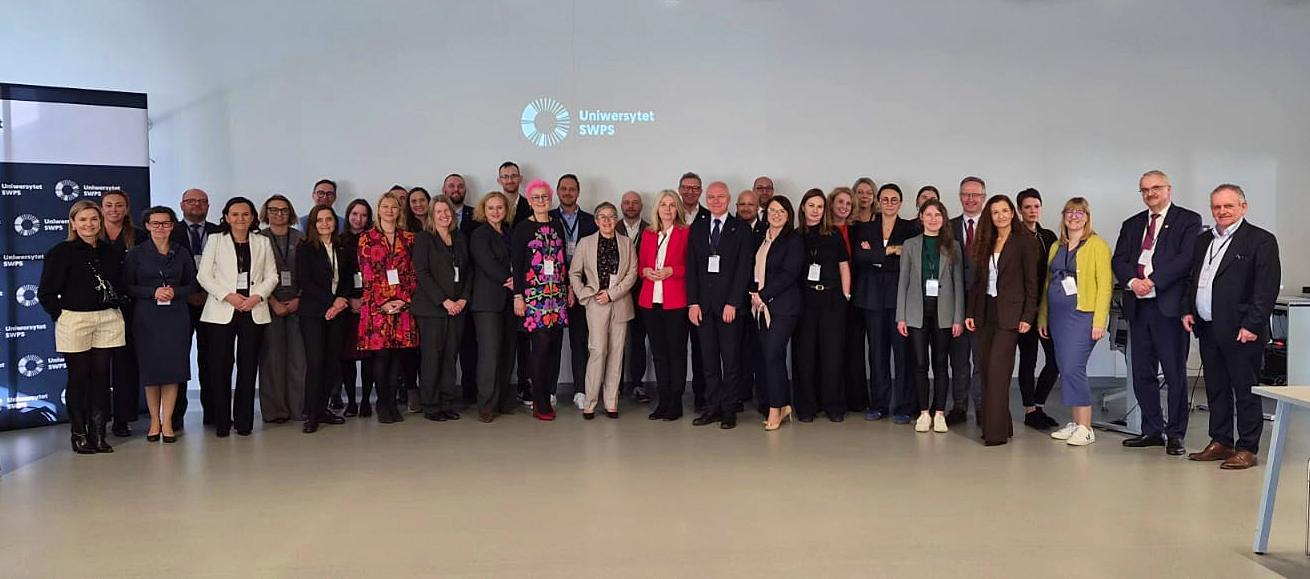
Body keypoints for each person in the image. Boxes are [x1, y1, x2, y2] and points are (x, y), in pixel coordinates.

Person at [1182, 184, 1281, 469]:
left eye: (1228, 206)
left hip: (1242, 330)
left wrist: (1253, 323)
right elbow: (1193, 280)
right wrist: (1188, 310)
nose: (1222, 212)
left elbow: (1266, 287)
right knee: (1216, 388)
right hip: (1208, 326)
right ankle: (1221, 441)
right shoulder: (1204, 240)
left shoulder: (1260, 240)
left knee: (1245, 389)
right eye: (1216, 207)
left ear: (1243, 207)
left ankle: (1247, 448)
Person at [1111, 170, 1202, 456]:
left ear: (1168, 189)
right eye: (1145, 190)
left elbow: (1186, 258)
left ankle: (1175, 434)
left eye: (1156, 188)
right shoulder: (1132, 224)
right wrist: (1131, 281)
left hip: (1169, 307)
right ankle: (1152, 429)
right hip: (1138, 308)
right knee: (1141, 372)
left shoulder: (1188, 220)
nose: (1150, 193)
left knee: (1175, 375)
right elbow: (1119, 259)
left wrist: (1153, 280)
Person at [38, 201, 127, 453]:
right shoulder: (61, 252)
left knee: (101, 377)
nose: (89, 224)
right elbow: (46, 292)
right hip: (74, 319)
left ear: (100, 223)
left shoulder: (110, 252)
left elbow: (119, 284)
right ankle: (78, 434)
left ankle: (99, 433)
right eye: (83, 220)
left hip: (108, 318)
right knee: (78, 377)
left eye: (94, 220)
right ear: (73, 223)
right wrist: (62, 315)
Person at [197, 197, 279, 437]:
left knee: (248, 366)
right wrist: (227, 296)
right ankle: (222, 422)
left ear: (253, 217)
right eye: (235, 214)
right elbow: (204, 276)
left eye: (245, 214)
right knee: (220, 366)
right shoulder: (215, 240)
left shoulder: (262, 242)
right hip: (223, 310)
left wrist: (257, 297)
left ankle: (244, 422)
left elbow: (272, 276)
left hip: (253, 310)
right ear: (226, 217)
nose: (240, 219)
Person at [964, 195, 1040, 446]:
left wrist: (1028, 316)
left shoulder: (1024, 242)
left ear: (1012, 213)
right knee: (985, 369)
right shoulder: (985, 242)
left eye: (1004, 211)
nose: (1000, 216)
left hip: (1011, 314)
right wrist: (970, 313)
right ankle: (1001, 424)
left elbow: (1032, 283)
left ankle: (994, 434)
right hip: (985, 311)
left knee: (998, 370)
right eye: (995, 212)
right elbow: (977, 283)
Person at [1038, 198, 1113, 447]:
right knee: (1064, 367)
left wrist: (1099, 321)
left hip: (1082, 315)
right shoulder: (1056, 246)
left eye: (1080, 212)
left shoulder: (1097, 245)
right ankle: (1075, 422)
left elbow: (1105, 287)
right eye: (1070, 211)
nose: (1074, 216)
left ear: (1087, 216)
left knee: (1073, 368)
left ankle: (1086, 427)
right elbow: (1048, 284)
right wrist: (1043, 316)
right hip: (1058, 317)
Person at [123, 206, 197, 443]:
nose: (160, 228)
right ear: (147, 226)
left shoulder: (181, 252)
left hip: (176, 316)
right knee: (152, 371)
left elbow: (192, 285)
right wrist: (152, 292)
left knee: (173, 371)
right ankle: (154, 420)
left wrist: (174, 291)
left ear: (172, 225)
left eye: (165, 223)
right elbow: (128, 286)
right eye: (155, 223)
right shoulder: (136, 253)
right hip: (147, 316)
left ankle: (168, 422)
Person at [685, 182, 754, 429]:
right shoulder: (698, 226)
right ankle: (712, 407)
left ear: (728, 198)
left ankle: (729, 410)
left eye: (720, 197)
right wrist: (692, 303)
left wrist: (733, 302)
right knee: (709, 362)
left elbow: (744, 270)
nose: (715, 201)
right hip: (703, 307)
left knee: (731, 361)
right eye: (711, 197)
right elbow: (691, 268)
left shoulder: (741, 229)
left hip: (729, 307)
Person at [896, 199, 964, 434]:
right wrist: (901, 316)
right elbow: (903, 282)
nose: (933, 219)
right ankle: (924, 412)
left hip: (943, 311)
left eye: (938, 215)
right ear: (921, 217)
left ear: (943, 219)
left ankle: (940, 412)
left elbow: (958, 284)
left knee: (941, 364)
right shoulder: (910, 245)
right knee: (920, 363)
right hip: (916, 310)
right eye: (929, 214)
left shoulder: (953, 246)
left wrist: (958, 318)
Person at [854, 183, 919, 423]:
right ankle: (879, 404)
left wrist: (877, 256)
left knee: (903, 354)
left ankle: (904, 406)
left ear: (900, 203)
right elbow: (860, 257)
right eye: (885, 199)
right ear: (878, 202)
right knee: (877, 353)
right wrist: (891, 251)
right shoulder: (865, 227)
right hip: (871, 299)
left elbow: (911, 259)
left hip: (900, 298)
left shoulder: (910, 227)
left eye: (894, 199)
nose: (889, 203)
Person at [569, 202, 639, 419]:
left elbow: (632, 274)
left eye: (611, 217)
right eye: (603, 217)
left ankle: (611, 402)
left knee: (617, 353)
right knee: (598, 351)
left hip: (619, 303)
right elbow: (574, 273)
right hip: (596, 304)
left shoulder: (627, 243)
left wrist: (612, 293)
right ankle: (590, 402)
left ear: (615, 220)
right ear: (596, 220)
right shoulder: (586, 243)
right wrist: (585, 296)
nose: (607, 221)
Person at [511, 179, 573, 420]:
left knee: (554, 348)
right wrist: (518, 296)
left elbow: (562, 261)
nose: (540, 201)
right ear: (529, 200)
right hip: (534, 297)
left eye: (544, 196)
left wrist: (568, 289)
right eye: (535, 197)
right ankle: (539, 401)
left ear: (550, 199)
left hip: (556, 295)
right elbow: (517, 265)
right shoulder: (522, 228)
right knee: (540, 348)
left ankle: (549, 394)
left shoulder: (557, 224)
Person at [357, 192, 419, 424]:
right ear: (378, 209)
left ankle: (393, 403)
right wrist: (385, 301)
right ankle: (382, 404)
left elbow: (413, 272)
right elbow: (367, 273)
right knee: (381, 356)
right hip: (377, 306)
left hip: (403, 305)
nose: (389, 210)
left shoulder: (409, 238)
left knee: (397, 357)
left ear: (399, 211)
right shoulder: (367, 238)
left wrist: (403, 299)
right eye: (385, 206)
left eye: (394, 207)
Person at [792, 189, 851, 422]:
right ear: (803, 208)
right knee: (805, 356)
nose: (815, 210)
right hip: (804, 301)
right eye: (811, 205)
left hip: (832, 300)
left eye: (819, 206)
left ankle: (834, 406)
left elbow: (843, 266)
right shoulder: (795, 236)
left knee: (832, 355)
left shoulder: (834, 234)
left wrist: (846, 294)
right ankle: (807, 407)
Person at [296, 205, 354, 433]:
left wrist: (340, 301)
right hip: (313, 312)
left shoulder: (343, 245)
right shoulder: (305, 248)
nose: (325, 224)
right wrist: (331, 301)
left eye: (328, 219)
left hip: (338, 312)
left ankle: (323, 409)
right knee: (316, 361)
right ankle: (311, 413)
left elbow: (349, 277)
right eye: (319, 220)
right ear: (312, 224)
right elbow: (305, 281)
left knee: (332, 362)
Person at [413, 195, 470, 422]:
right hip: (432, 309)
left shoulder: (460, 237)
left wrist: (463, 299)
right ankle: (431, 404)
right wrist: (444, 301)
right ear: (431, 215)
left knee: (449, 357)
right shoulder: (424, 238)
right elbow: (422, 274)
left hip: (457, 308)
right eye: (439, 212)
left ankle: (447, 402)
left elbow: (468, 271)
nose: (444, 215)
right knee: (432, 357)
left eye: (447, 211)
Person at [637, 190, 691, 421]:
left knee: (676, 353)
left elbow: (692, 267)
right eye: (663, 204)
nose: (667, 209)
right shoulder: (648, 234)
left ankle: (675, 401)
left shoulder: (685, 233)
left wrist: (672, 271)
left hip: (676, 301)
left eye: (671, 205)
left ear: (677, 208)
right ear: (656, 208)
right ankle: (663, 400)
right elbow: (640, 266)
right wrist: (645, 272)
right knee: (658, 354)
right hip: (650, 301)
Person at [169, 188, 220, 430]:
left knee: (213, 359)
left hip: (215, 302)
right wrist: (187, 294)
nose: (197, 205)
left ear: (208, 206)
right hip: (181, 305)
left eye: (202, 201)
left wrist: (210, 293)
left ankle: (214, 412)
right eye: (191, 201)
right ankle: (175, 416)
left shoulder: (219, 232)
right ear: (182, 205)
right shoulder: (170, 231)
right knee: (178, 359)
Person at [754, 196, 804, 431]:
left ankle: (776, 408)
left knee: (773, 355)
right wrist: (755, 294)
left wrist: (763, 294)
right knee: (767, 356)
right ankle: (782, 405)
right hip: (763, 308)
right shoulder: (763, 239)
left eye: (781, 210)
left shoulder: (793, 240)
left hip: (784, 308)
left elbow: (789, 273)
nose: (776, 214)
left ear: (789, 214)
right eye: (772, 210)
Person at [469, 191, 519, 422]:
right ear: (483, 210)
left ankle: (501, 401)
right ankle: (486, 406)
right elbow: (486, 262)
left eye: (500, 207)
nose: (496, 211)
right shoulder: (480, 234)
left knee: (507, 352)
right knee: (489, 355)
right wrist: (511, 280)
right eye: (491, 208)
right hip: (488, 302)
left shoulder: (508, 232)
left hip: (509, 301)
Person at [257, 195, 306, 424]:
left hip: (298, 303)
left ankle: (298, 409)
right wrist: (273, 302)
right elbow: (255, 277)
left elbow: (313, 273)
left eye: (284, 210)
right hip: (269, 304)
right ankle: (276, 411)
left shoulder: (301, 238)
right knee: (272, 359)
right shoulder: (259, 239)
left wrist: (299, 299)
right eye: (274, 210)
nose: (279, 214)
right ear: (266, 213)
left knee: (299, 359)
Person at [1015, 188, 1061, 430]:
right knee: (1028, 359)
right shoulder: (1014, 236)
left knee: (1056, 360)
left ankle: (1039, 404)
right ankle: (1029, 410)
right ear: (1020, 210)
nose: (1032, 211)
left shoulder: (1047, 235)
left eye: (1036, 206)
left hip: (1047, 307)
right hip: (1024, 309)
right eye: (1027, 207)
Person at [100, 189, 145, 437]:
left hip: (131, 308)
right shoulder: (92, 235)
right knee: (98, 367)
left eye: (119, 205)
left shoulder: (138, 236)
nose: (114, 210)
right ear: (102, 208)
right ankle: (98, 417)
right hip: (98, 308)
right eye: (109, 205)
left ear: (126, 208)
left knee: (125, 366)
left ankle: (122, 419)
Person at [551, 174, 598, 411]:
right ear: (557, 191)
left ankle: (581, 389)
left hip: (583, 289)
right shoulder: (546, 218)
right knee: (552, 342)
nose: (567, 192)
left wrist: (579, 286)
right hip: (552, 290)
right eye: (563, 188)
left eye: (572, 189)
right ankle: (550, 390)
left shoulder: (591, 220)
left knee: (581, 341)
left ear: (578, 192)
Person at [946, 176, 987, 425]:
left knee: (981, 359)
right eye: (966, 194)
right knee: (959, 359)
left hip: (983, 304)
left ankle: (982, 407)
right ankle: (959, 406)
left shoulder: (993, 226)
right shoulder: (948, 227)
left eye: (976, 195)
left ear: (983, 197)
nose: (970, 199)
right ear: (960, 196)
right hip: (955, 303)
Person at [830, 186, 867, 412]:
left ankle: (855, 399)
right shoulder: (821, 229)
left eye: (848, 204)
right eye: (840, 202)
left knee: (853, 348)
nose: (844, 207)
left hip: (854, 295)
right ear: (832, 203)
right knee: (832, 348)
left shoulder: (858, 231)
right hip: (828, 296)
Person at [336, 199, 374, 417]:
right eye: (354, 214)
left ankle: (367, 400)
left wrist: (367, 300)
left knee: (369, 356)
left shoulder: (373, 240)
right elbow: (335, 275)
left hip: (370, 304)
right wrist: (349, 299)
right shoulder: (338, 241)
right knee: (346, 356)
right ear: (348, 215)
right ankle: (351, 400)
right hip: (346, 304)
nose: (358, 219)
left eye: (363, 215)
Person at [444, 173, 479, 406]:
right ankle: (444, 394)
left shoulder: (476, 215)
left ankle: (469, 392)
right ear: (444, 189)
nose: (456, 189)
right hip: (443, 294)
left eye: (460, 186)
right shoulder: (435, 219)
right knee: (445, 348)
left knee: (470, 346)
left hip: (469, 291)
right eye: (451, 186)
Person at [677, 171, 709, 410]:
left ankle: (701, 396)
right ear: (679, 189)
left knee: (701, 348)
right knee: (677, 348)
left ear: (700, 191)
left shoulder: (709, 217)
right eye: (686, 187)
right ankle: (675, 396)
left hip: (701, 293)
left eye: (695, 188)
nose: (690, 191)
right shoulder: (670, 214)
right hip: (675, 292)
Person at [618, 191, 651, 404]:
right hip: (618, 293)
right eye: (627, 203)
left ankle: (637, 383)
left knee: (638, 340)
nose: (631, 206)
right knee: (616, 341)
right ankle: (616, 385)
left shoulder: (651, 229)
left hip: (642, 293)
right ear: (621, 205)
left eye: (635, 203)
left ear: (641, 206)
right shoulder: (612, 226)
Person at [499, 161, 531, 226]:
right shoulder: (491, 207)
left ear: (520, 179)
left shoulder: (531, 206)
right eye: (505, 177)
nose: (510, 180)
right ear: (499, 180)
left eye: (514, 176)